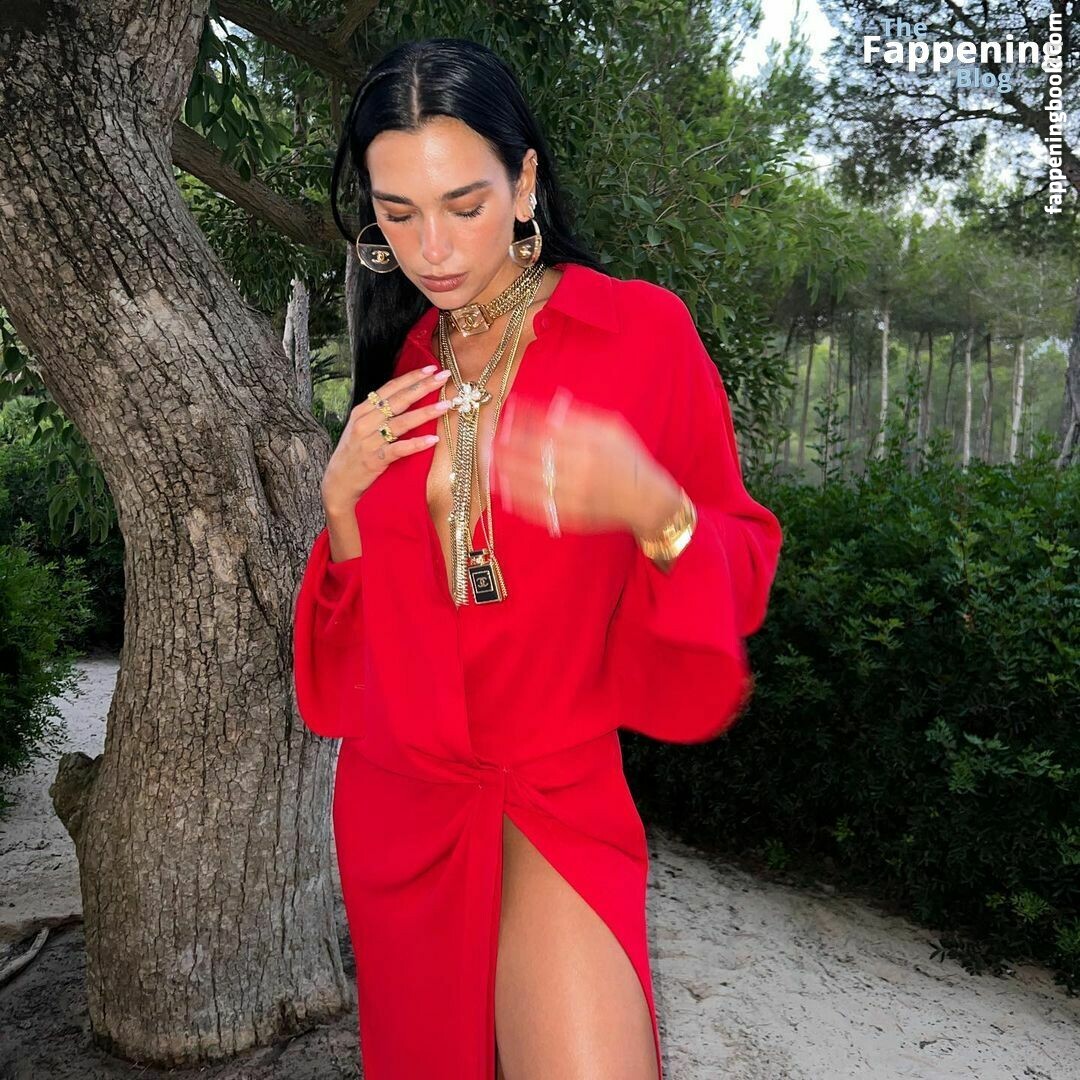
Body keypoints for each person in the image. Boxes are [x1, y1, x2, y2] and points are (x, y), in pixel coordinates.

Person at [292, 36, 783, 1080]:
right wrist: (340, 505)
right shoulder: (402, 368)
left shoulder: (639, 333)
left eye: (463, 204)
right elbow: (350, 674)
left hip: (556, 787)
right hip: (401, 804)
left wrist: (652, 507)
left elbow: (740, 565)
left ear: (523, 184)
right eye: (397, 213)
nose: (432, 248)